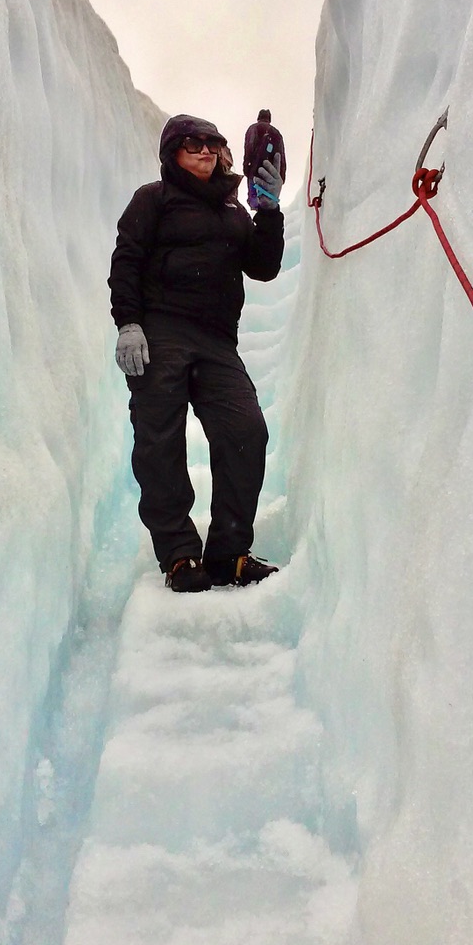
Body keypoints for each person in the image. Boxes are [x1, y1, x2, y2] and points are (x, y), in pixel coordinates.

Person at [108, 113, 284, 593]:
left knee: (246, 429)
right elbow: (126, 261)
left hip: (216, 340)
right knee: (159, 440)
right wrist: (128, 323)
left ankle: (229, 554)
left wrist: (268, 212)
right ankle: (180, 556)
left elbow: (264, 268)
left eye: (212, 143)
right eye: (192, 143)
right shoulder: (153, 200)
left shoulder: (233, 213)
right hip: (161, 331)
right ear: (172, 153)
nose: (205, 150)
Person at [243, 109, 287, 211]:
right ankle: (264, 212)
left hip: (254, 169)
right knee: (268, 198)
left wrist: (247, 167)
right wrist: (281, 175)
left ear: (258, 117)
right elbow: (281, 155)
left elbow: (248, 148)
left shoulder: (252, 129)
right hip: (270, 171)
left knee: (253, 197)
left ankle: (255, 212)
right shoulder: (276, 133)